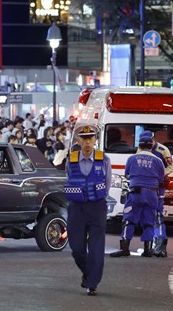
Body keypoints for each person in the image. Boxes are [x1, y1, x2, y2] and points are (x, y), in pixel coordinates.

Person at [64, 125, 111, 296]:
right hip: (76, 208)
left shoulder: (103, 159)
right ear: (78, 140)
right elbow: (69, 178)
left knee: (96, 248)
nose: (88, 142)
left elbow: (107, 183)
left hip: (97, 207)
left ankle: (92, 283)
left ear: (95, 140)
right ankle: (88, 273)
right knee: (76, 248)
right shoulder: (71, 159)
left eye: (91, 138)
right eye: (84, 138)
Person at [110, 132, 164, 259]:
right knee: (149, 221)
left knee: (129, 219)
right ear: (151, 146)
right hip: (152, 194)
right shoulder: (158, 161)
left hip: (136, 193)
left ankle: (124, 248)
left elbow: (127, 175)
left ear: (139, 146)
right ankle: (147, 249)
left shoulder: (132, 159)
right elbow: (161, 178)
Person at [139, 130, 173, 257]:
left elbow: (171, 167)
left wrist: (160, 175)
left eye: (148, 142)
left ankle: (160, 246)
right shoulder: (140, 148)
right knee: (145, 215)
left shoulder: (163, 150)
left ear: (153, 140)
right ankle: (149, 244)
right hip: (145, 186)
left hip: (158, 186)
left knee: (157, 214)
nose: (146, 145)